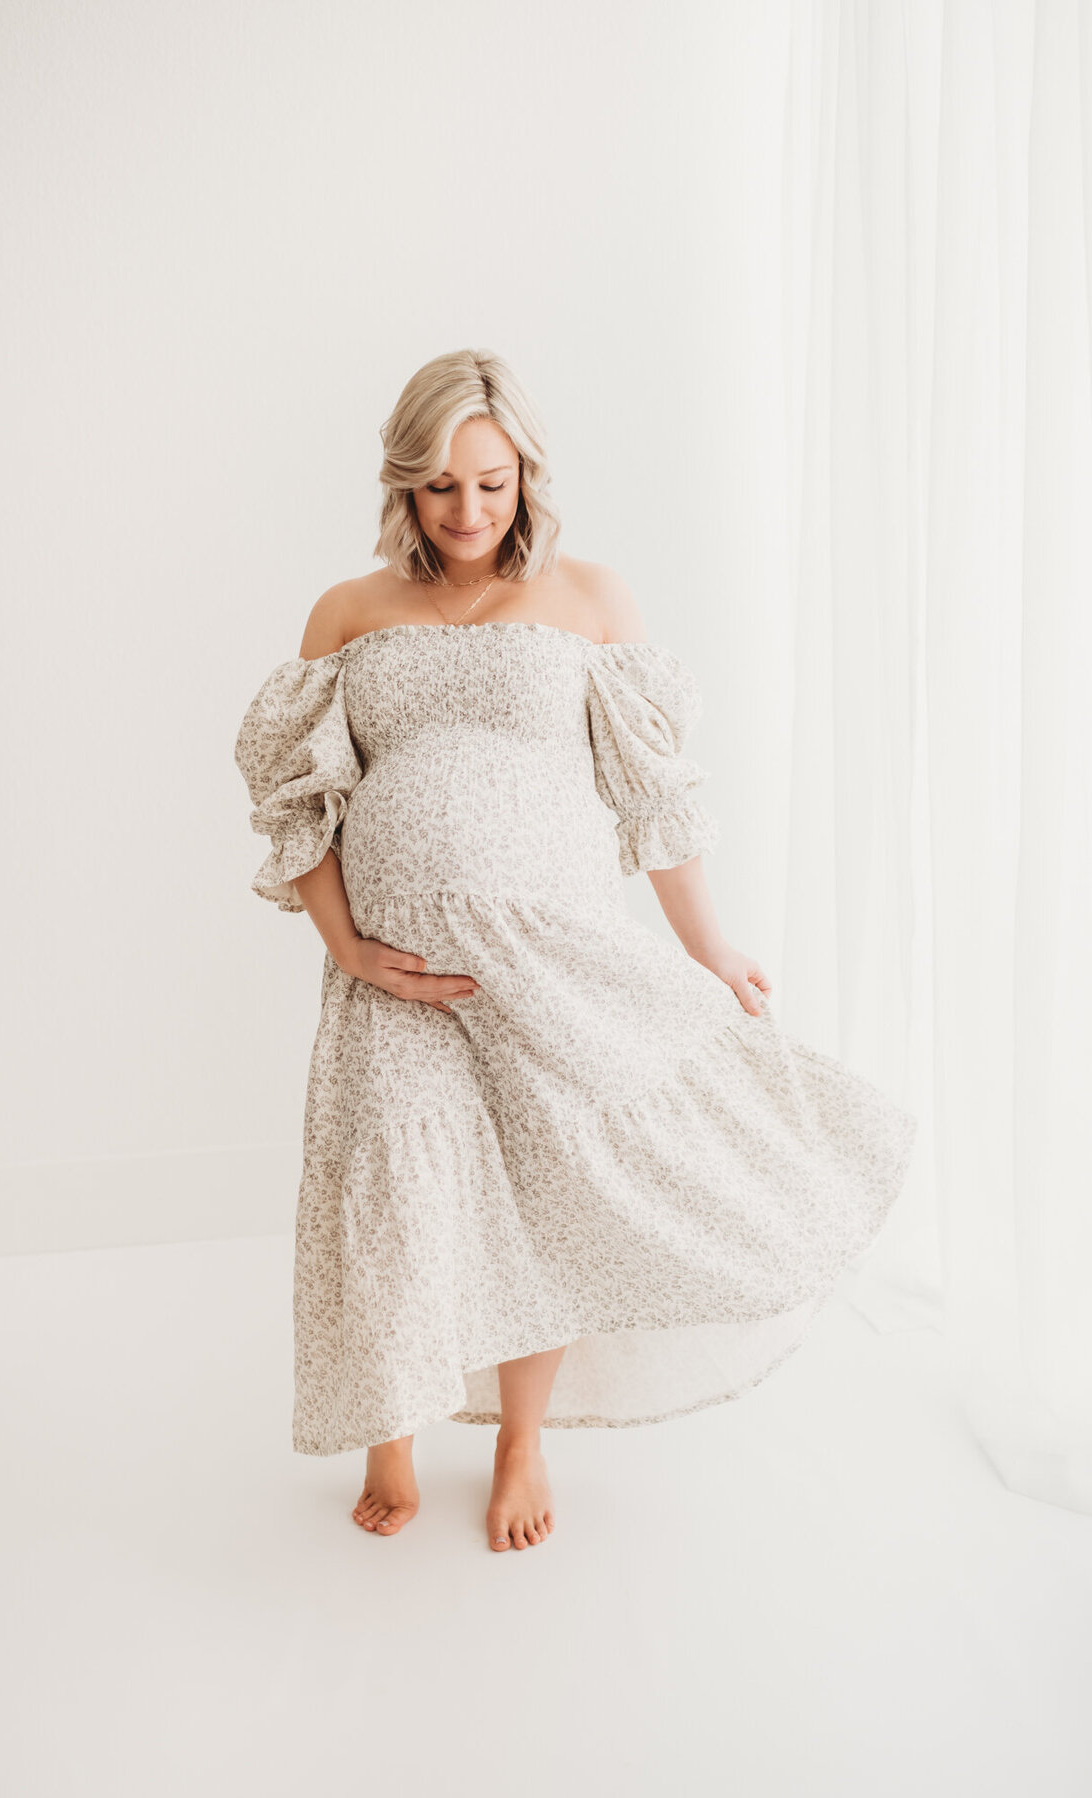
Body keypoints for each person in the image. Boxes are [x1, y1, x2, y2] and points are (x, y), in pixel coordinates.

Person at [234, 348, 916, 1554]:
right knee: (397, 1184)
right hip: (395, 974)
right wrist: (351, 948)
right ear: (404, 486)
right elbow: (301, 807)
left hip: (551, 960)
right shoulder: (349, 614)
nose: (468, 512)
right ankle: (391, 1429)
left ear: (527, 476)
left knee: (539, 1197)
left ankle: (518, 1437)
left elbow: (654, 798)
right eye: (441, 487)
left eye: (490, 483)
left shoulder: (592, 602)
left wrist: (709, 945)